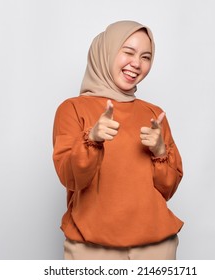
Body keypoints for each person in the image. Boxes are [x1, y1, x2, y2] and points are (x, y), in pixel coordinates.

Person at [52, 20, 183, 260]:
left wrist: (160, 151)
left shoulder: (155, 114)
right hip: (91, 248)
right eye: (129, 52)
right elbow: (70, 178)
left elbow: (168, 188)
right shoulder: (72, 109)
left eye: (146, 57)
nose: (137, 63)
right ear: (107, 52)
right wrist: (92, 140)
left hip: (156, 248)